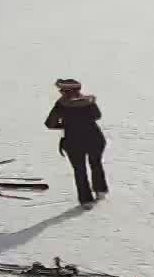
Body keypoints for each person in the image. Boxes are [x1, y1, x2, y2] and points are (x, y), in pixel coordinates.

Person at [44, 78, 109, 207]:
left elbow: (50, 123)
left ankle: (86, 201)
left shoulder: (61, 104)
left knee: (79, 170)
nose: (60, 92)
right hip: (95, 138)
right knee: (96, 164)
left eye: (62, 90)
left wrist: (65, 125)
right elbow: (97, 116)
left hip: (73, 141)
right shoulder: (89, 101)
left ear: (67, 91)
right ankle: (100, 190)